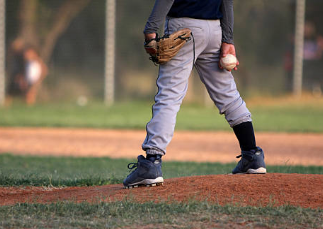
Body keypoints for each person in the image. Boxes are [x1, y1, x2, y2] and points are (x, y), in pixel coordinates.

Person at [123, 0, 266, 188]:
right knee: (228, 94)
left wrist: (150, 30)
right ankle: (252, 155)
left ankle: (151, 163)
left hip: (183, 27)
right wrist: (228, 39)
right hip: (215, 29)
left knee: (169, 96)